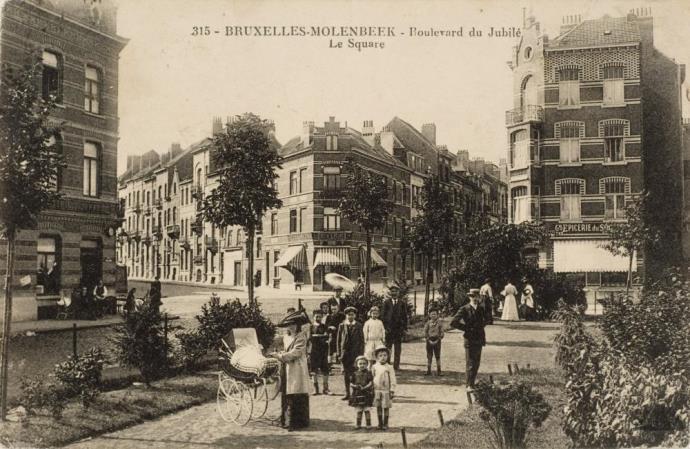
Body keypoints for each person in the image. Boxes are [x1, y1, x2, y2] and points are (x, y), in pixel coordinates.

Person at [272, 309, 312, 431]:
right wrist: (281, 353)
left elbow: (296, 352)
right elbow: (286, 349)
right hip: (287, 367)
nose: (291, 327)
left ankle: (297, 422)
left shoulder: (301, 337)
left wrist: (281, 356)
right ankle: (286, 419)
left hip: (297, 368)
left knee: (296, 392)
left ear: (298, 325)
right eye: (289, 325)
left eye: (294, 325)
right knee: (286, 392)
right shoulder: (286, 337)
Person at [451, 289, 487, 390]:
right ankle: (469, 385)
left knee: (477, 362)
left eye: (477, 296)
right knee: (470, 362)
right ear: (469, 297)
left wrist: (480, 327)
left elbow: (487, 319)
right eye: (473, 296)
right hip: (470, 338)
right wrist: (467, 328)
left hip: (479, 338)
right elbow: (454, 322)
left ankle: (473, 383)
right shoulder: (464, 309)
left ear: (479, 297)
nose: (475, 298)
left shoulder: (481, 308)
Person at [337, 306, 364, 401]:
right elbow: (339, 340)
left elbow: (361, 340)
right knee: (346, 374)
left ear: (355, 315)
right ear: (346, 315)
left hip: (355, 354)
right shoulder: (342, 325)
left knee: (355, 374)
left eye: (352, 314)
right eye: (348, 315)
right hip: (345, 354)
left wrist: (361, 354)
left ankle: (355, 393)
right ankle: (347, 393)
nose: (350, 316)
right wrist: (339, 353)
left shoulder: (359, 325)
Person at [381, 282, 408, 370]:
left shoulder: (402, 303)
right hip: (389, 329)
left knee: (398, 348)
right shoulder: (386, 303)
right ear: (390, 293)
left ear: (398, 292)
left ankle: (396, 365)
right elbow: (383, 316)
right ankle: (387, 363)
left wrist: (404, 328)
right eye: (392, 291)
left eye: (396, 291)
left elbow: (405, 316)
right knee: (388, 347)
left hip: (398, 329)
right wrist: (384, 328)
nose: (394, 293)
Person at [371, 345, 397, 430]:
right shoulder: (374, 366)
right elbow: (372, 377)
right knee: (378, 407)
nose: (383, 358)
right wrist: (371, 388)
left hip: (386, 390)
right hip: (377, 390)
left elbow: (393, 379)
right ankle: (380, 423)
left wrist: (392, 390)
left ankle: (386, 423)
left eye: (385, 355)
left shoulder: (389, 367)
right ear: (377, 357)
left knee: (385, 407)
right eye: (380, 356)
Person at [309, 310, 331, 395]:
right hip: (314, 351)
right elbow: (310, 337)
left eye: (320, 316)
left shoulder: (325, 326)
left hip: (323, 351)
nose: (318, 318)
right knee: (314, 370)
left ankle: (325, 389)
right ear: (313, 317)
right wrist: (320, 336)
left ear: (322, 317)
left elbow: (327, 337)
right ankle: (316, 389)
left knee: (325, 370)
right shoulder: (311, 327)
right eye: (316, 316)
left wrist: (322, 337)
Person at [349, 355, 374, 430]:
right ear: (356, 364)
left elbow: (371, 382)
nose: (362, 365)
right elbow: (350, 383)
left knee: (367, 410)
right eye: (360, 364)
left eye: (364, 363)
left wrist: (366, 387)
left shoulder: (368, 373)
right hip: (357, 393)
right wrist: (355, 386)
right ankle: (358, 424)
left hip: (366, 393)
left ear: (367, 364)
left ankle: (368, 424)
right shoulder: (354, 373)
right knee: (359, 410)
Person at [424, 306, 444, 376]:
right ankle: (428, 370)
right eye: (432, 314)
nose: (433, 315)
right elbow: (425, 332)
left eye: (435, 314)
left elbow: (442, 332)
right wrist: (428, 339)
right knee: (429, 355)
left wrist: (438, 339)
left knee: (437, 356)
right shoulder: (428, 323)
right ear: (429, 315)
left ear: (437, 315)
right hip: (429, 341)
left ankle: (439, 370)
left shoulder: (439, 323)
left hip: (437, 341)